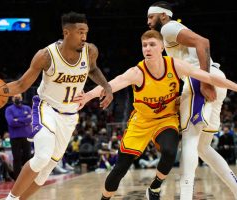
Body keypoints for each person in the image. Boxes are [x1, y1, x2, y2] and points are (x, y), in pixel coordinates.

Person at [73, 30, 237, 200]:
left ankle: (155, 186)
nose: (147, 49)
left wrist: (235, 86)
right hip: (141, 121)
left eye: (152, 45)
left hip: (166, 119)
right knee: (120, 169)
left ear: (161, 48)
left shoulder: (175, 65)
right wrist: (87, 96)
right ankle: (104, 198)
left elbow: (208, 77)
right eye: (144, 45)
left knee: (169, 151)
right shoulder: (136, 72)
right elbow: (111, 84)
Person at [0, 11, 113, 200]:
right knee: (42, 157)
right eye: (80, 32)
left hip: (70, 116)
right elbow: (22, 84)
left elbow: (93, 69)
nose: (84, 37)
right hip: (45, 108)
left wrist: (107, 87)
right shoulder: (46, 56)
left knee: (46, 169)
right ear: (66, 33)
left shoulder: (90, 51)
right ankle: (10, 199)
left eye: (86, 32)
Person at [147, 2, 237, 199]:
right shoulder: (169, 35)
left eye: (150, 17)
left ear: (163, 15)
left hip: (201, 79)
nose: (148, 22)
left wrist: (204, 81)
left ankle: (185, 196)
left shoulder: (168, 27)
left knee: (189, 138)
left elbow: (203, 42)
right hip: (213, 77)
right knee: (203, 147)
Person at [5, 93, 32, 179]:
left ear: (22, 98)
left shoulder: (27, 108)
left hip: (27, 136)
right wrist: (24, 120)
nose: (17, 98)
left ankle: (27, 177)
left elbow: (30, 119)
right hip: (15, 137)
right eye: (15, 97)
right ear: (12, 99)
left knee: (27, 157)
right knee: (17, 158)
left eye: (18, 97)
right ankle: (17, 178)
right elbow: (11, 122)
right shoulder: (9, 109)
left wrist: (17, 119)